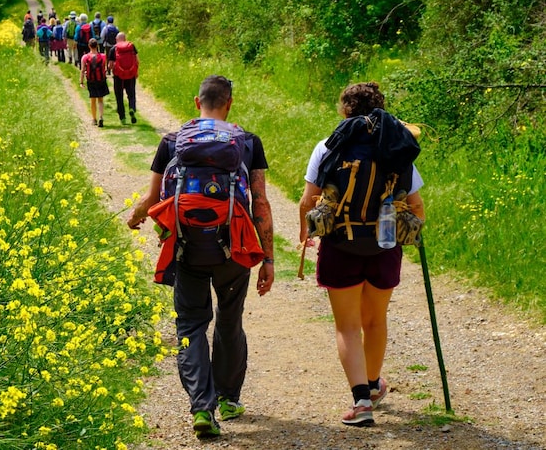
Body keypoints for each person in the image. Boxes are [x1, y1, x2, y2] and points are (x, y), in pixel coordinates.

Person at [126, 75, 275, 439]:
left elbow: (152, 198)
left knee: (191, 324)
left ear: (197, 102)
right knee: (229, 319)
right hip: (234, 246)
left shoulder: (173, 142)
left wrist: (136, 216)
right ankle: (228, 398)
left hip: (187, 246)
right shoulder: (247, 142)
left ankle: (202, 409)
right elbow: (260, 203)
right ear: (230, 102)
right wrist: (268, 258)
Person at [297, 82, 426, 427]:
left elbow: (308, 201)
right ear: (381, 107)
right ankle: (372, 384)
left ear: (345, 110)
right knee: (375, 320)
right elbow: (417, 207)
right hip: (385, 247)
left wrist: (304, 234)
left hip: (341, 244)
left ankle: (361, 401)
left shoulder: (329, 146)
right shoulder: (399, 146)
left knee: (348, 327)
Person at [107, 32, 138, 125]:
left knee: (119, 96)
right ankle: (132, 107)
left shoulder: (114, 49)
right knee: (131, 94)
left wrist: (111, 69)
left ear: (117, 39)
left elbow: (110, 65)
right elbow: (137, 60)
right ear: (125, 38)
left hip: (118, 76)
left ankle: (122, 117)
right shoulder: (131, 46)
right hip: (131, 74)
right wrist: (135, 71)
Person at [79, 38, 109, 127]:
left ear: (89, 46)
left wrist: (81, 82)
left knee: (93, 100)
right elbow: (105, 68)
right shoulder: (103, 56)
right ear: (97, 46)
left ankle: (94, 119)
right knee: (100, 100)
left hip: (91, 81)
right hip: (101, 80)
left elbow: (82, 70)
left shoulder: (85, 57)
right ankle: (101, 117)